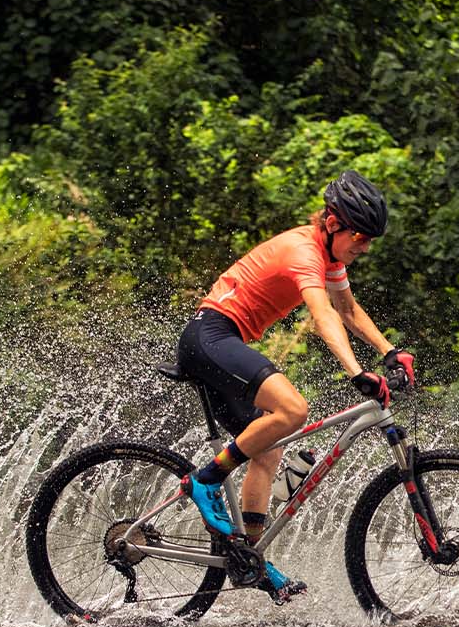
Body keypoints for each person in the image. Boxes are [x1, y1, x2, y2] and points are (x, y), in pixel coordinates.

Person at [176, 170, 416, 604]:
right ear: (332, 223)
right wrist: (355, 371)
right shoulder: (303, 250)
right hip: (208, 337)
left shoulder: (331, 258)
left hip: (222, 340)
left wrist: (389, 350)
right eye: (360, 237)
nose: (364, 246)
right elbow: (323, 314)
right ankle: (205, 480)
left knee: (268, 448)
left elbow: (346, 307)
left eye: (369, 240)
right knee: (292, 410)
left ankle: (249, 558)